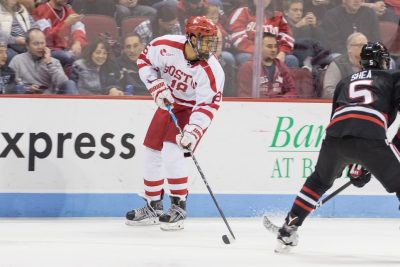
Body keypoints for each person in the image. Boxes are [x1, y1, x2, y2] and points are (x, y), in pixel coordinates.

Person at [274, 42, 400, 253]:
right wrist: (393, 147)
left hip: (335, 137)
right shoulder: (393, 77)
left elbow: (344, 124)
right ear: (383, 61)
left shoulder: (345, 81)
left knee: (319, 181)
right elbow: (366, 132)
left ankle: (287, 229)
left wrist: (356, 163)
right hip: (370, 137)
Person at [125, 16, 224, 231]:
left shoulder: (212, 70)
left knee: (172, 151)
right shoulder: (165, 46)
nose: (209, 45)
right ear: (190, 37)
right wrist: (156, 85)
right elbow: (144, 61)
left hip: (190, 109)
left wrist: (194, 131)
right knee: (151, 150)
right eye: (205, 40)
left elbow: (208, 105)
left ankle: (179, 206)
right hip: (169, 102)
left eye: (211, 40)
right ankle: (153, 205)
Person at [229, 0, 297, 67]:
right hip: (249, 53)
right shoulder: (242, 12)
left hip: (274, 54)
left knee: (291, 59)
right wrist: (261, 52)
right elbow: (237, 37)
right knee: (247, 58)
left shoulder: (278, 16)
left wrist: (282, 52)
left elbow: (288, 37)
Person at [9, 28, 78, 94]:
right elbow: (10, 86)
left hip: (49, 100)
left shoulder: (54, 62)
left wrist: (49, 63)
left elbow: (63, 83)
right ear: (27, 45)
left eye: (42, 43)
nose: (40, 47)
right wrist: (27, 89)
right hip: (25, 100)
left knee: (70, 83)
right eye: (36, 44)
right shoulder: (17, 60)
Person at [238, 32, 296, 98]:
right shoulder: (248, 67)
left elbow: (292, 90)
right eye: (269, 46)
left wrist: (281, 101)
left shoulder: (281, 66)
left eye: (275, 46)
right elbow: (244, 95)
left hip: (279, 106)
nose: (274, 50)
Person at [32, 0, 87, 67]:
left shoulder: (68, 10)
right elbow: (46, 37)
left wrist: (78, 42)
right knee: (68, 57)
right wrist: (65, 24)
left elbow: (79, 28)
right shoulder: (41, 10)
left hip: (65, 49)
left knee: (90, 56)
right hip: (48, 50)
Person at [321, 32, 368, 98]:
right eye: (360, 45)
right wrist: (350, 98)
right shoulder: (338, 65)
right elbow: (328, 92)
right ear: (349, 48)